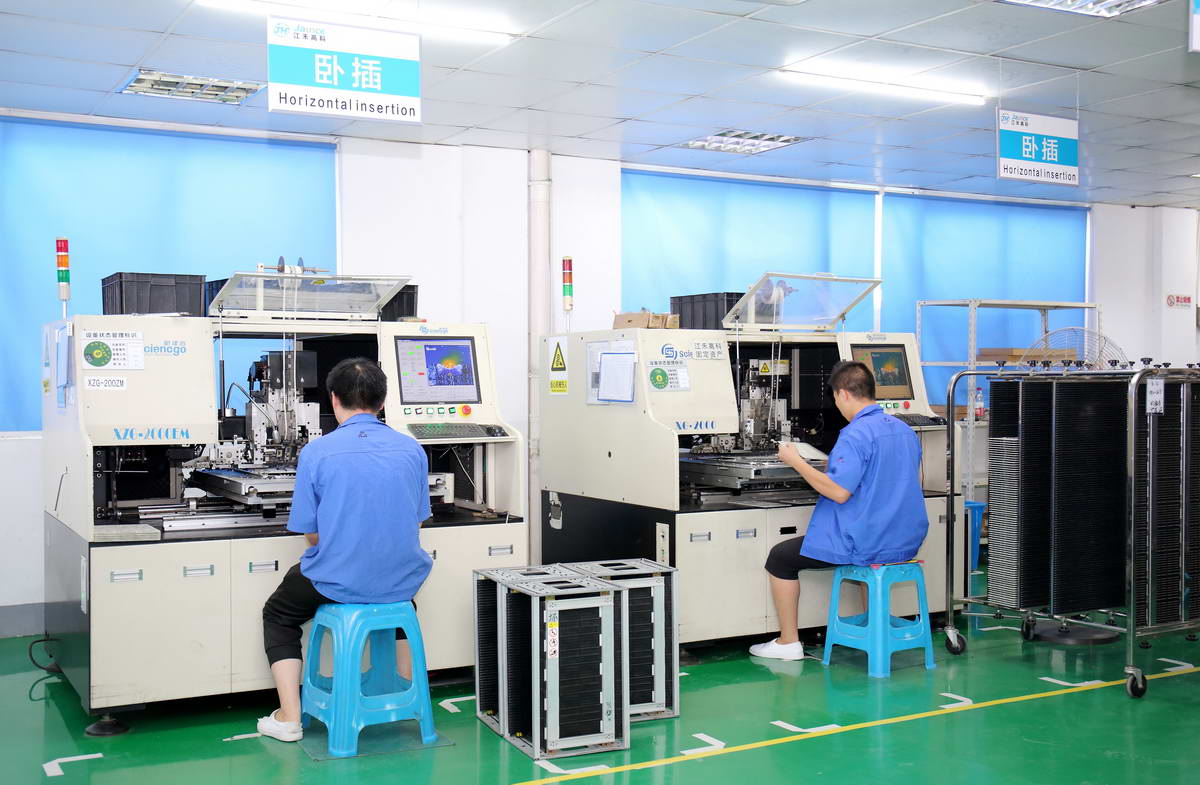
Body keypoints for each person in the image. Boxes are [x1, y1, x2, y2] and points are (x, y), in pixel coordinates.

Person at [256, 357, 433, 742]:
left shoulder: (318, 452)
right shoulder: (412, 449)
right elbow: (416, 522)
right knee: (401, 602)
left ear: (334, 399)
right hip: (401, 579)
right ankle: (402, 693)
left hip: (338, 579)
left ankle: (289, 717)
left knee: (278, 614)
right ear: (382, 401)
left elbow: (312, 535)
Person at [749, 361, 927, 661]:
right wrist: (834, 465)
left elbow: (838, 492)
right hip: (903, 539)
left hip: (864, 542)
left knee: (780, 558)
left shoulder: (855, 434)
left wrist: (796, 462)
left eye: (835, 398)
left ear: (842, 394)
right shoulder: (904, 430)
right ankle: (875, 626)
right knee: (871, 560)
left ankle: (788, 642)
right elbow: (912, 480)